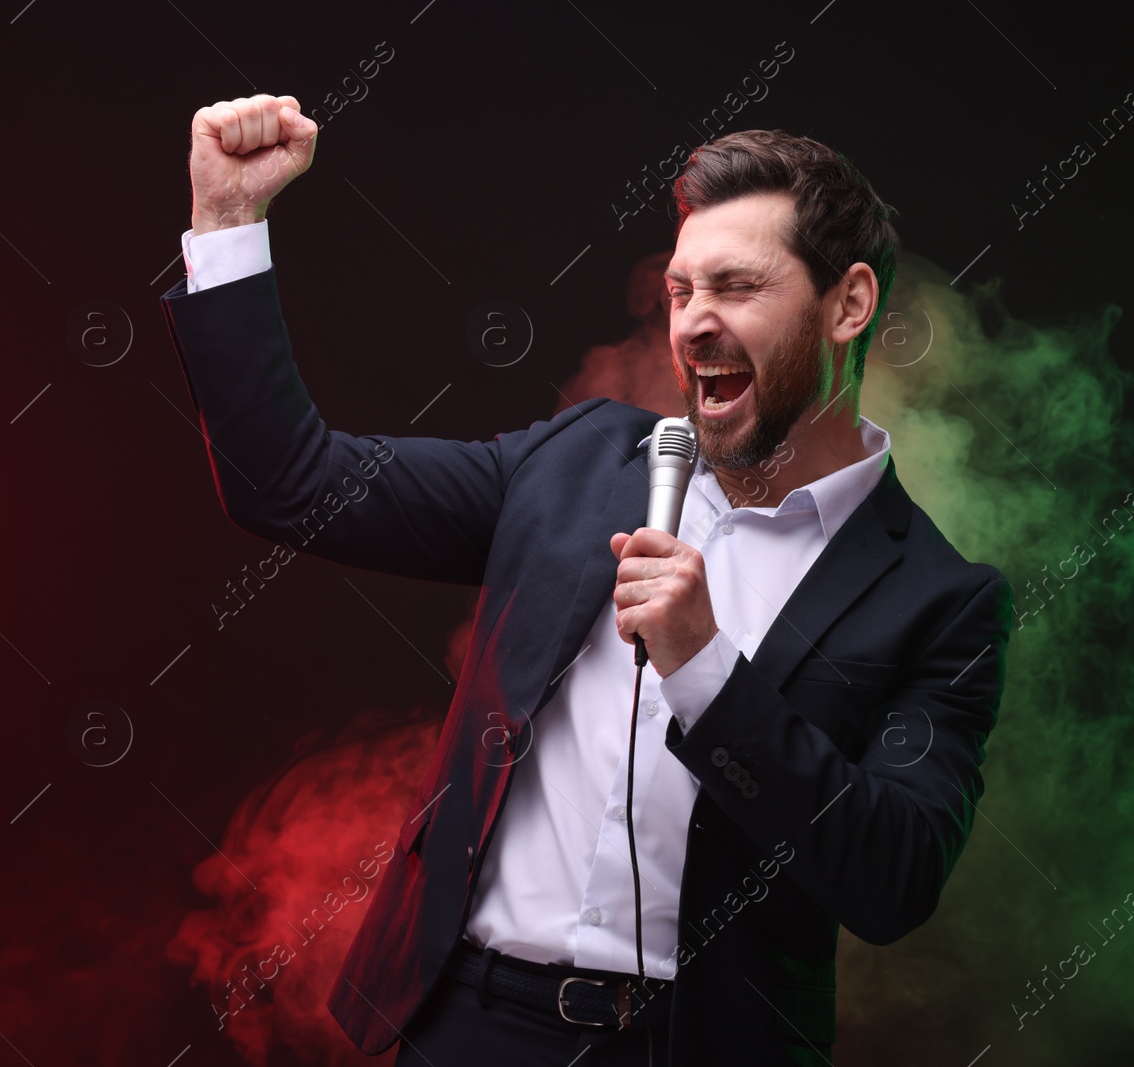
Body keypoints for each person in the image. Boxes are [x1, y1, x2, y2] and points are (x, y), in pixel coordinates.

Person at [161, 93, 1014, 1066]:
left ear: (849, 304)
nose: (693, 324)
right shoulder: (578, 462)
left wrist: (704, 667)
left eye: (735, 287)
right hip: (465, 1027)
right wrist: (228, 225)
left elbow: (891, 877)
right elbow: (291, 482)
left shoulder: (940, 599)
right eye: (682, 290)